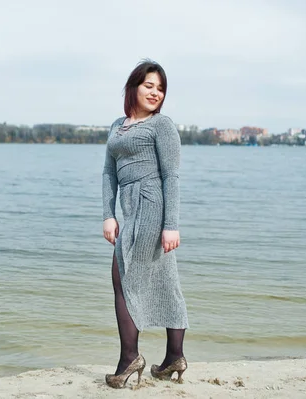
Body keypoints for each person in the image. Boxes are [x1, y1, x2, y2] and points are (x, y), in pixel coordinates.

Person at [102, 59, 189, 389]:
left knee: (122, 278)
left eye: (161, 88)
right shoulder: (117, 125)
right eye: (149, 85)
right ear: (133, 87)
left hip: (153, 206)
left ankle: (129, 359)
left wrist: (171, 224)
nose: (155, 92)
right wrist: (109, 215)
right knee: (165, 281)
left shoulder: (162, 125)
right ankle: (173, 358)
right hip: (130, 209)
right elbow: (108, 174)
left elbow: (171, 176)